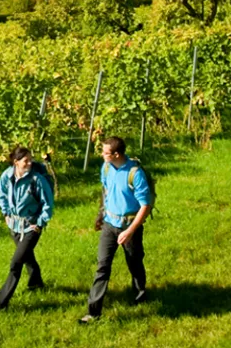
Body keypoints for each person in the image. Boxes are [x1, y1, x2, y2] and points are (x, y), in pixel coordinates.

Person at [79, 136, 152, 324]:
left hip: (129, 226)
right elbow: (106, 191)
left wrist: (130, 231)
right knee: (102, 266)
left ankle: (139, 294)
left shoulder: (135, 173)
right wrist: (100, 215)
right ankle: (93, 313)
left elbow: (145, 206)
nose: (102, 155)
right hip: (109, 225)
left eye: (105, 153)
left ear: (116, 154)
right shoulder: (106, 168)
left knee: (134, 262)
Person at [0, 146, 54, 313]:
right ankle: (36, 282)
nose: (30, 163)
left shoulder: (37, 180)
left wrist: (40, 223)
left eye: (31, 159)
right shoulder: (7, 176)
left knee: (16, 262)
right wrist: (5, 212)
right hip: (14, 225)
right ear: (16, 162)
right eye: (26, 161)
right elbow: (1, 193)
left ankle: (0, 303)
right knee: (27, 256)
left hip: (32, 226)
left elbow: (48, 204)